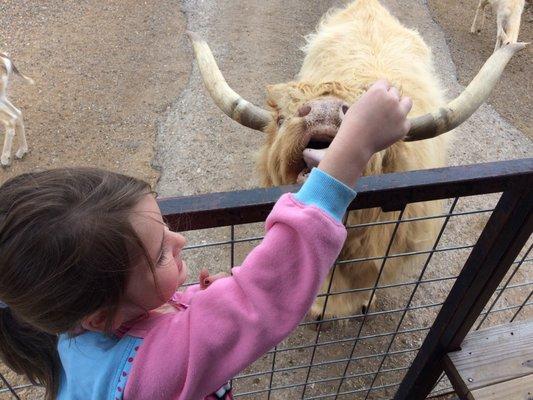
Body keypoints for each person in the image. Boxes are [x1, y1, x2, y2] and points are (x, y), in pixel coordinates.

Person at [0, 80, 411, 400]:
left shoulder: (67, 334)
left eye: (164, 228)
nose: (178, 240)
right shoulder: (154, 370)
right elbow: (262, 297)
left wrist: (187, 304)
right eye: (160, 253)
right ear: (98, 314)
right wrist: (352, 150)